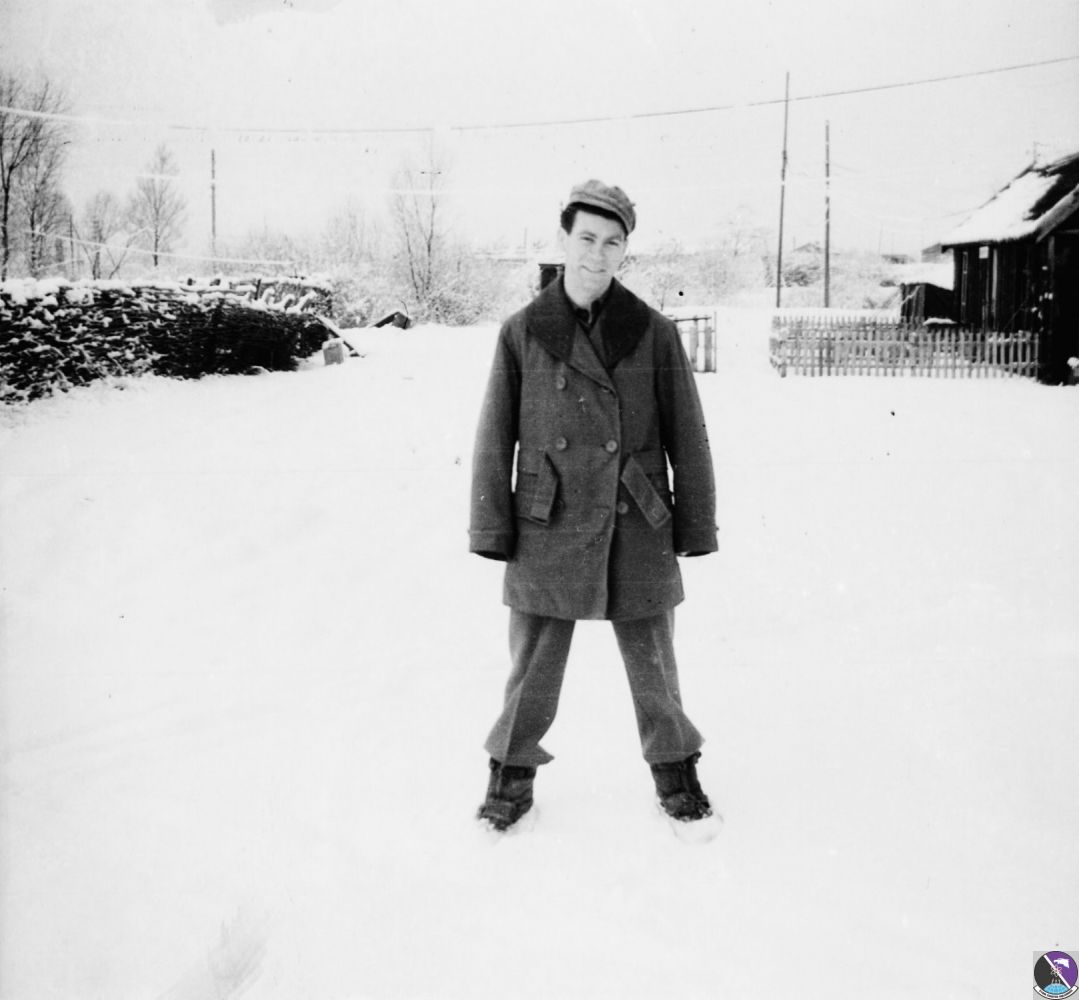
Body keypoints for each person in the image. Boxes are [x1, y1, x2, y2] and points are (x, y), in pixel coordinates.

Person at [469, 179, 718, 832]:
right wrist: (491, 525)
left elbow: (688, 433)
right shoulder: (522, 332)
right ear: (563, 239)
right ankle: (510, 773)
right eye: (586, 238)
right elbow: (494, 433)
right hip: (547, 517)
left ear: (624, 251)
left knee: (654, 663)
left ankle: (675, 768)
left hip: (636, 515)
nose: (597, 254)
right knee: (533, 665)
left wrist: (694, 522)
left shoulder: (654, 332)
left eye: (612, 243)